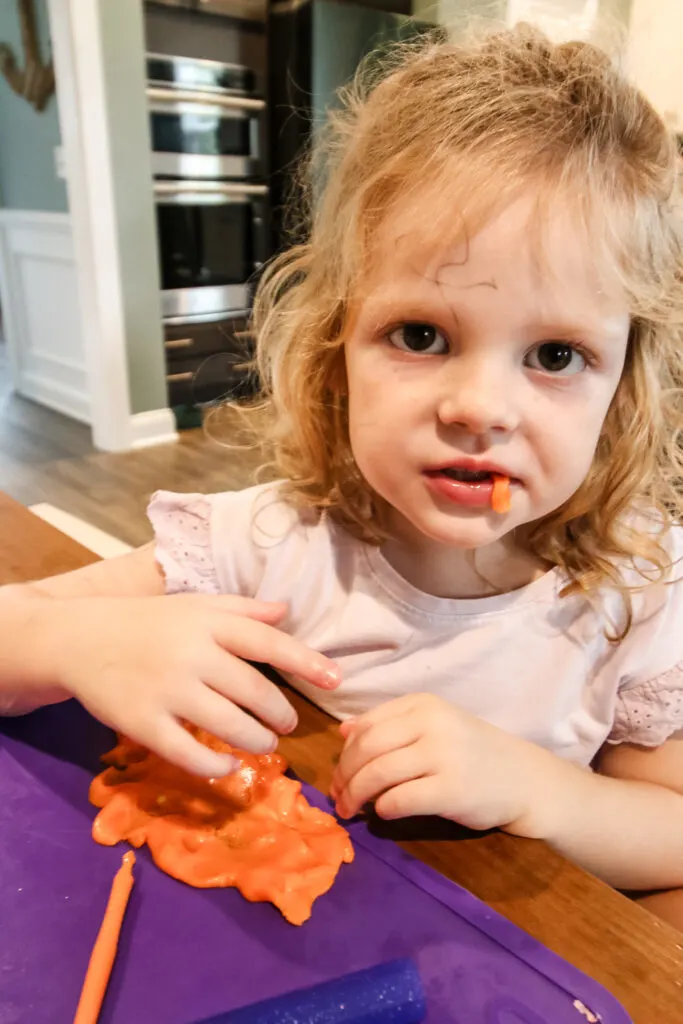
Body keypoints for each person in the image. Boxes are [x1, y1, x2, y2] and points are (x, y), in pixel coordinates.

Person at [3, 23, 683, 924]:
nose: (478, 407)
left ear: (622, 390)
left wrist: (543, 792)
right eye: (419, 336)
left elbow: (668, 827)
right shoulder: (270, 545)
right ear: (336, 351)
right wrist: (78, 646)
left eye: (554, 353)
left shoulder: (635, 596)